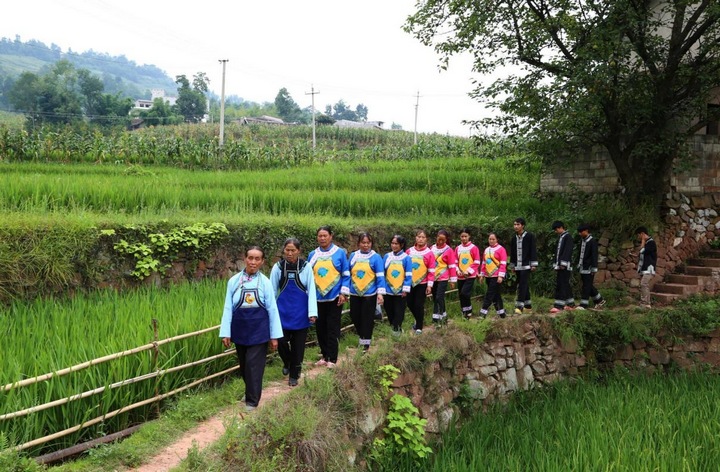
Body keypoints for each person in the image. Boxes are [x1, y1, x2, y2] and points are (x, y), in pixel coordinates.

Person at [220, 246, 282, 411]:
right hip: (240, 328)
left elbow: (272, 310)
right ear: (245, 258)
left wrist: (274, 336)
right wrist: (226, 332)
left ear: (262, 262)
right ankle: (250, 391)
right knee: (244, 365)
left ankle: (252, 401)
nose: (253, 262)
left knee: (254, 365)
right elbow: (228, 308)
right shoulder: (233, 282)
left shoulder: (266, 283)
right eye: (250, 258)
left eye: (257, 259)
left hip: (259, 330)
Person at [270, 238, 317, 387]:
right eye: (287, 250)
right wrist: (270, 313)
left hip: (301, 313)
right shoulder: (278, 267)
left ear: (299, 251)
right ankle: (288, 362)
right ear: (283, 251)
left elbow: (312, 290)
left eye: (293, 250)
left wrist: (312, 312)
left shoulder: (306, 267)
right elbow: (271, 292)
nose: (290, 253)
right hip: (282, 313)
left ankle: (294, 375)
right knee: (281, 341)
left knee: (298, 346)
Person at [308, 226, 350, 368]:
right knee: (320, 328)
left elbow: (345, 275)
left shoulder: (339, 253)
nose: (322, 238)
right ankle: (324, 355)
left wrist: (343, 293)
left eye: (325, 235)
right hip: (317, 297)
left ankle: (332, 358)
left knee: (332, 327)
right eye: (320, 236)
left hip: (334, 297)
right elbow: (309, 277)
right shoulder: (312, 255)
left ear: (331, 236)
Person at [348, 233, 386, 352]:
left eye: (368, 243)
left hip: (369, 294)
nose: (365, 245)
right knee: (355, 316)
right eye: (363, 243)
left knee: (367, 319)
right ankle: (362, 337)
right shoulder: (353, 256)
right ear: (358, 243)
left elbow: (380, 276)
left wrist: (380, 293)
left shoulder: (376, 257)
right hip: (354, 292)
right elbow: (348, 273)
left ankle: (365, 344)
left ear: (371, 243)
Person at [406, 229, 435, 334]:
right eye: (419, 237)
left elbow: (431, 271)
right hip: (409, 282)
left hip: (422, 283)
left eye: (423, 237)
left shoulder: (429, 253)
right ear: (415, 238)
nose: (420, 239)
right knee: (409, 303)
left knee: (419, 304)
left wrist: (429, 285)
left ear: (426, 239)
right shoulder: (409, 251)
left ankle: (419, 326)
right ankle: (418, 318)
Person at [383, 235, 412, 335]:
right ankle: (395, 329)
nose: (394, 246)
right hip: (388, 289)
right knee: (389, 310)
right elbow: (383, 273)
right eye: (392, 243)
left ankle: (396, 331)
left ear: (402, 245)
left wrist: (405, 289)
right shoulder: (387, 256)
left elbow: (408, 274)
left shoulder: (406, 258)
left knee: (399, 312)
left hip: (400, 291)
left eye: (396, 244)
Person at [509, 217, 538, 315]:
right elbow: (512, 252)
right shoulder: (514, 238)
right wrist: (512, 265)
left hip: (526, 265)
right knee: (522, 284)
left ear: (523, 225)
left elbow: (533, 250)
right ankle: (528, 306)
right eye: (515, 224)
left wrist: (533, 264)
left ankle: (519, 306)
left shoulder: (529, 236)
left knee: (522, 284)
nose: (516, 226)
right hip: (517, 265)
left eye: (518, 224)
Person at [430, 229, 458, 324]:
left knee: (439, 297)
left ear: (446, 240)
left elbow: (452, 265)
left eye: (443, 240)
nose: (440, 241)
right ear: (436, 238)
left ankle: (436, 318)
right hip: (433, 277)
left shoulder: (449, 250)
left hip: (443, 277)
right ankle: (444, 316)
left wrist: (453, 280)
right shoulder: (431, 248)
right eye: (439, 239)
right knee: (436, 298)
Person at [576, 224, 605, 310]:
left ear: (586, 231)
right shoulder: (582, 241)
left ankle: (583, 304)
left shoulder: (592, 241)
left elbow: (594, 255)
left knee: (586, 286)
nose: (580, 234)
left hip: (589, 268)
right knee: (587, 285)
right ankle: (599, 300)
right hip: (582, 266)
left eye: (581, 232)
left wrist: (594, 268)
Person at [478, 232, 507, 318]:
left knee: (489, 293)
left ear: (497, 239)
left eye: (493, 239)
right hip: (488, 275)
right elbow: (484, 263)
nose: (491, 241)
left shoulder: (501, 249)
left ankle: (483, 311)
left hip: (496, 276)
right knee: (496, 295)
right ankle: (501, 313)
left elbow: (503, 263)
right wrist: (482, 275)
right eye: (490, 239)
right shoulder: (486, 250)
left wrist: (501, 275)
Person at [550, 221, 576, 314]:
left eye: (556, 229)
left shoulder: (567, 237)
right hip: (560, 265)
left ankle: (559, 305)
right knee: (565, 284)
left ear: (561, 227)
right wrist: (556, 264)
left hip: (565, 266)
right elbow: (557, 253)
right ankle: (570, 304)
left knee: (562, 284)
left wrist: (563, 264)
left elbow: (567, 252)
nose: (556, 231)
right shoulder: (561, 237)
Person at [455, 228, 480, 319]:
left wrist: (468, 271)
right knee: (461, 294)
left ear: (469, 236)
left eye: (465, 236)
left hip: (470, 276)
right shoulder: (458, 248)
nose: (464, 238)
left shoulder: (473, 248)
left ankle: (468, 309)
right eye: (462, 236)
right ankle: (464, 311)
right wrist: (458, 270)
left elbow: (476, 262)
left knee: (464, 293)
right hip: (460, 276)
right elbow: (455, 261)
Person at [635, 226, 657, 308]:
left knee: (644, 283)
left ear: (642, 234)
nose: (638, 237)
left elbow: (643, 251)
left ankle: (646, 303)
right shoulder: (648, 243)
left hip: (649, 268)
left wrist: (643, 241)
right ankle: (644, 302)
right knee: (643, 284)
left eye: (638, 235)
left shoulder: (651, 243)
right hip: (644, 268)